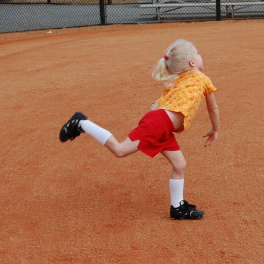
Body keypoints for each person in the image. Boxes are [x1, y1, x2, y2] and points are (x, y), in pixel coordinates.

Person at [59, 39, 220, 220]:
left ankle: (178, 208)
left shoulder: (178, 82)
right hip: (159, 124)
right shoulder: (202, 79)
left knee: (179, 165)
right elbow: (213, 108)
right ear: (192, 63)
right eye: (197, 53)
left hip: (162, 126)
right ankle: (81, 123)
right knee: (120, 150)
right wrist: (215, 129)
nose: (200, 56)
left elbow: (154, 106)